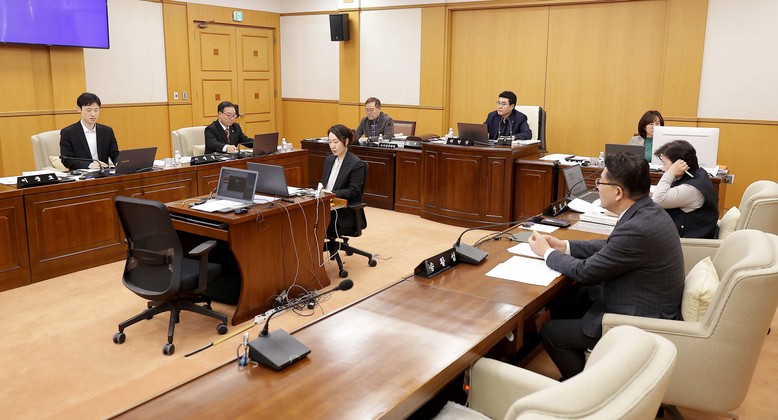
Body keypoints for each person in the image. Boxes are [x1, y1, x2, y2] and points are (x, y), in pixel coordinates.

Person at [527, 152, 684, 380]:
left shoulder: (637, 227)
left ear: (618, 192)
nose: (597, 187)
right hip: (647, 299)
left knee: (552, 333)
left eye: (600, 182)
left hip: (640, 318)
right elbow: (611, 246)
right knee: (574, 295)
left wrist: (547, 253)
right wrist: (565, 246)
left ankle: (587, 388)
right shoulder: (648, 210)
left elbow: (585, 272)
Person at [652, 140, 719, 238]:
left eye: (664, 164)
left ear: (679, 165)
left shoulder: (691, 189)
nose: (662, 168)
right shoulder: (698, 174)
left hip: (687, 242)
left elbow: (658, 200)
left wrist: (670, 173)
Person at [320, 124, 367, 238]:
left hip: (343, 212)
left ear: (346, 141)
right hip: (326, 205)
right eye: (330, 142)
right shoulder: (329, 160)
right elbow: (324, 183)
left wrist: (331, 193)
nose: (332, 146)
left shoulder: (356, 164)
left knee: (313, 224)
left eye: (336, 142)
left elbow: (353, 191)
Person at [59, 92, 120, 170]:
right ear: (79, 109)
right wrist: (90, 165)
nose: (93, 114)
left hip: (103, 173)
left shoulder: (107, 131)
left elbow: (115, 153)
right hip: (82, 174)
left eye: (96, 110)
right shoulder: (68, 132)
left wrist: (118, 162)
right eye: (89, 110)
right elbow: (67, 160)